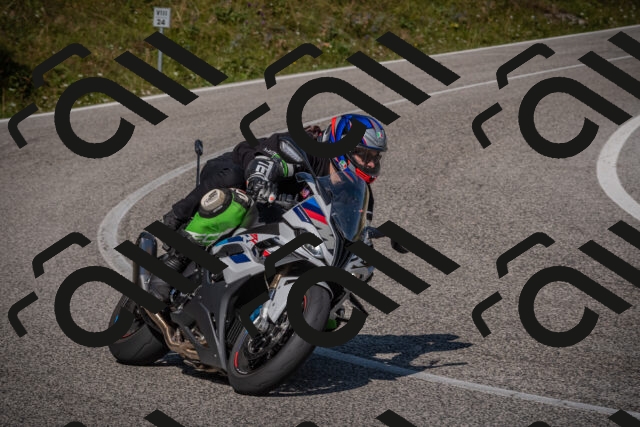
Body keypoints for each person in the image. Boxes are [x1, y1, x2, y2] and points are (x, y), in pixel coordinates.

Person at [149, 114, 388, 303]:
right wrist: (259, 178)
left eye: (375, 157)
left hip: (279, 218)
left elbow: (354, 231)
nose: (370, 163)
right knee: (236, 194)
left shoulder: (357, 193)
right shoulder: (308, 149)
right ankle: (173, 261)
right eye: (363, 154)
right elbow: (269, 160)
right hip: (239, 177)